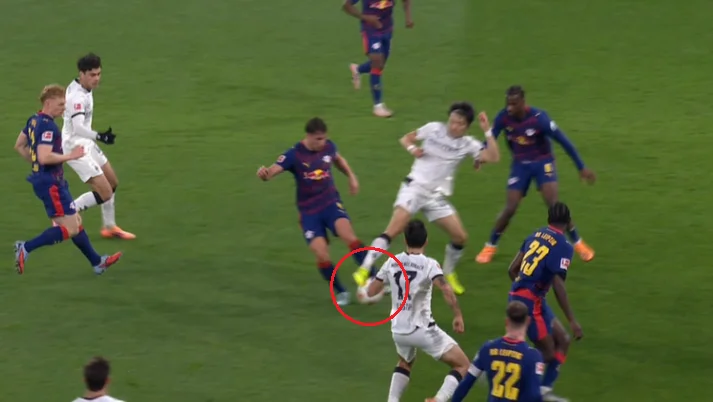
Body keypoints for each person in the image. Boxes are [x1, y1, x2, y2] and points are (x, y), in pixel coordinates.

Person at [353, 102, 500, 295]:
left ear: (467, 126)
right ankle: (364, 269)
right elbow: (406, 138)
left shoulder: (468, 144)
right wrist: (413, 149)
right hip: (414, 188)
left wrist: (487, 131)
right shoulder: (434, 129)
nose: (453, 126)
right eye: (452, 121)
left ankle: (448, 273)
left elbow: (493, 157)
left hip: (434, 196)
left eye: (459, 123)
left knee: (460, 237)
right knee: (393, 230)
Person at [257, 117, 376, 306]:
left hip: (331, 203)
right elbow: (271, 172)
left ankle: (375, 277)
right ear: (309, 136)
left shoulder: (328, 147)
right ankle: (341, 291)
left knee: (349, 237)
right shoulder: (294, 155)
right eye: (319, 139)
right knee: (321, 254)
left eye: (324, 138)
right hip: (309, 213)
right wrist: (264, 174)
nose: (323, 142)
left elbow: (338, 160)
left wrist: (351, 176)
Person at [475, 85, 595, 265]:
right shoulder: (503, 117)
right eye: (508, 103)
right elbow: (491, 138)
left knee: (554, 205)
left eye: (514, 104)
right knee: (510, 207)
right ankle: (490, 246)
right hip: (520, 164)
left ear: (523, 102)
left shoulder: (539, 119)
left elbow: (564, 141)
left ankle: (578, 243)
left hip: (543, 162)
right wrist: (480, 155)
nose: (509, 107)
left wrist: (581, 167)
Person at [13, 84, 122, 275]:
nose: (64, 109)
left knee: (76, 221)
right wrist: (70, 156)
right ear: (48, 103)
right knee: (70, 228)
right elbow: (45, 156)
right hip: (51, 184)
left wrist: (35, 163)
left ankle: (97, 263)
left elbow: (19, 145)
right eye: (61, 104)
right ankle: (26, 247)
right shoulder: (48, 126)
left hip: (46, 181)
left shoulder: (34, 120)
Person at [363, 219, 470, 402]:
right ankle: (438, 400)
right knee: (462, 365)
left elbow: (371, 292)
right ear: (426, 241)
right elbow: (445, 289)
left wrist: (376, 288)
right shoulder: (429, 264)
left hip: (398, 329)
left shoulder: (392, 261)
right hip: (422, 328)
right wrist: (457, 315)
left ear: (405, 240)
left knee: (405, 362)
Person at [507, 202, 584, 402]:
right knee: (547, 353)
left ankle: (543, 391)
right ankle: (509, 376)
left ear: (549, 219)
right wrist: (572, 320)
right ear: (568, 222)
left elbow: (512, 269)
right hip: (531, 303)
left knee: (563, 340)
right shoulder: (564, 246)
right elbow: (558, 286)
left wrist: (523, 287)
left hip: (525, 297)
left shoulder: (535, 234)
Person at [62, 52, 136, 240]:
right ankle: (66, 213)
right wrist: (100, 136)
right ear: (81, 74)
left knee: (112, 183)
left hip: (86, 142)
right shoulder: (77, 97)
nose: (96, 79)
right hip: (75, 148)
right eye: (92, 75)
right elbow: (78, 127)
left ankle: (109, 227)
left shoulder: (84, 88)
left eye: (98, 74)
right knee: (105, 192)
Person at [451, 301, 545, 402]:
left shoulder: (487, 349)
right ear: (528, 321)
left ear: (506, 321)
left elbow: (466, 383)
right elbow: (534, 395)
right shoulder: (533, 356)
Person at [342, 0, 413, 117]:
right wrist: (365, 17)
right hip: (370, 31)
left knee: (381, 63)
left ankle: (358, 69)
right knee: (377, 63)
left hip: (387, 29)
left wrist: (408, 18)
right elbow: (347, 6)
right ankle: (378, 106)